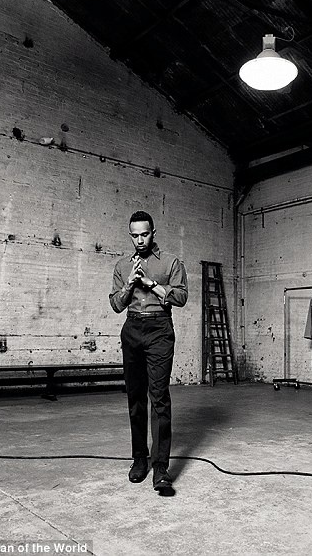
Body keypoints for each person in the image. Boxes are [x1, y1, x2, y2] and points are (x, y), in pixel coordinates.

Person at [109, 211, 188, 494]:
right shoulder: (122, 266)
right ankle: (139, 459)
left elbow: (181, 297)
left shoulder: (170, 262)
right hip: (132, 329)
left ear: (153, 233)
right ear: (130, 235)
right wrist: (130, 283)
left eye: (145, 234)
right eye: (135, 235)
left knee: (159, 398)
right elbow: (116, 305)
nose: (140, 240)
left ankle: (161, 467)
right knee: (135, 398)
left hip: (159, 329)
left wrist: (151, 284)